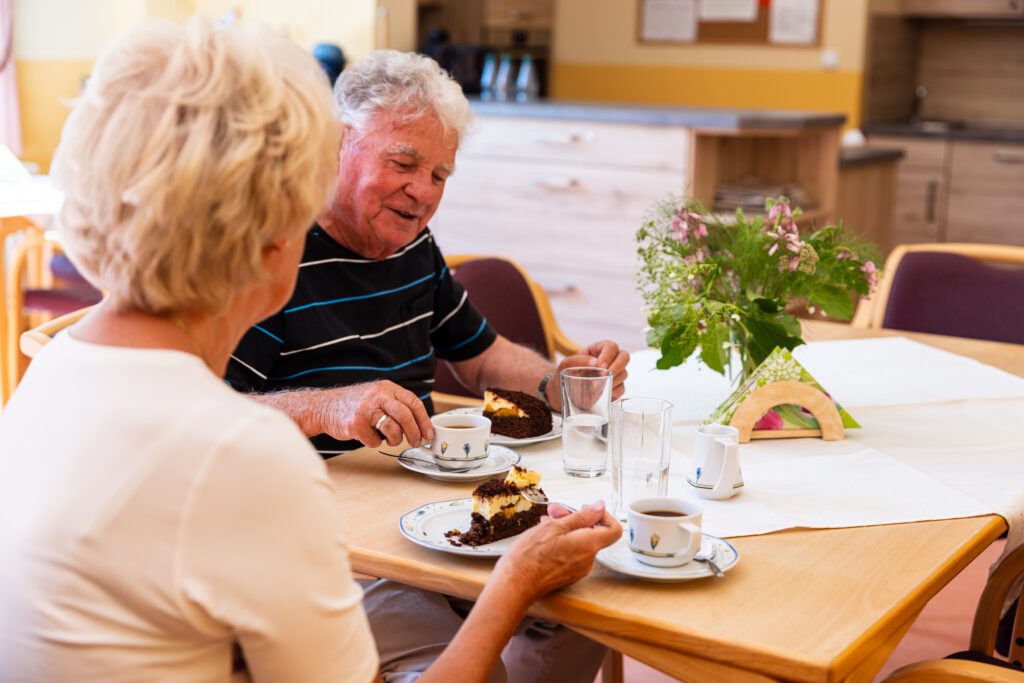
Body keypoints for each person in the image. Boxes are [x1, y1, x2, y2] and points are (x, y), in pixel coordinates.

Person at [0, 18, 621, 683]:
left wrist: (563, 383)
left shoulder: (45, 379)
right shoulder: (244, 454)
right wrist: (514, 584)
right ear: (271, 236)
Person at [227, 49, 630, 456]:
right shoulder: (274, 252)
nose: (424, 193)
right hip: (319, 495)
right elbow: (206, 413)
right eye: (403, 164)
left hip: (417, 490)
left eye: (440, 175)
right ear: (339, 142)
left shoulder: (413, 245)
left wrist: (557, 386)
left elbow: (483, 356)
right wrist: (327, 408)